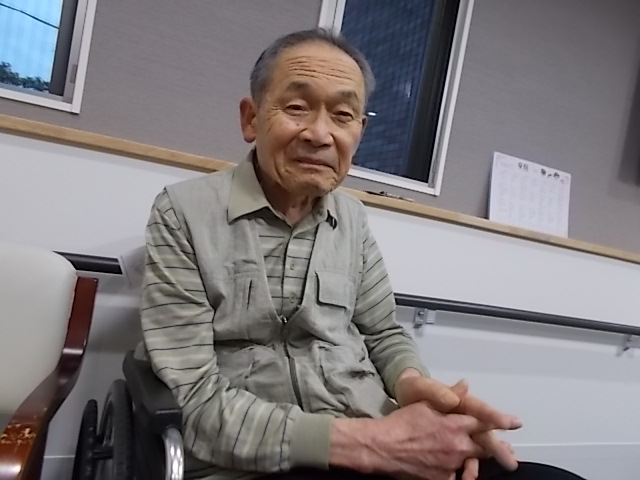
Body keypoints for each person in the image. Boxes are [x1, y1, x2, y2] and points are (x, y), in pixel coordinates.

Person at [137, 29, 584, 480]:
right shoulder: (183, 213)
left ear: (360, 132)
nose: (320, 134)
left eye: (343, 115)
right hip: (256, 463)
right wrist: (371, 444)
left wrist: (415, 388)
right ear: (251, 118)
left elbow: (383, 333)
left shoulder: (351, 219)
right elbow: (193, 399)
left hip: (374, 435)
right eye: (297, 107)